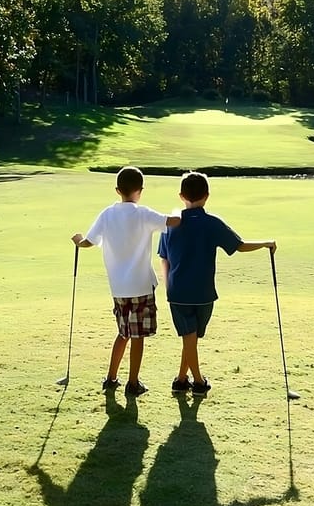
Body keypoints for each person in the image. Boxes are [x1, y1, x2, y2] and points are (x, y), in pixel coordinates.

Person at [157, 171, 276, 397]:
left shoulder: (169, 224)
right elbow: (239, 245)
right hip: (204, 293)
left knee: (189, 338)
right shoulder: (212, 223)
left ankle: (182, 379)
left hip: (178, 292)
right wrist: (265, 243)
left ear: (181, 195)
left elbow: (163, 257)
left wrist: (168, 284)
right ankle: (198, 382)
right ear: (207, 196)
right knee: (191, 338)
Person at [71, 166, 180, 397]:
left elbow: (89, 242)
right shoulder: (144, 213)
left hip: (118, 288)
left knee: (123, 333)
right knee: (138, 337)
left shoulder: (107, 214)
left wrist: (78, 240)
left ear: (117, 190)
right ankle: (133, 383)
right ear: (140, 191)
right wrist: (179, 211)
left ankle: (111, 378)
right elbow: (172, 222)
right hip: (141, 285)